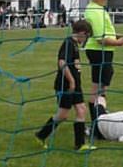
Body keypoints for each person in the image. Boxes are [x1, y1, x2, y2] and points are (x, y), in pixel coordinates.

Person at [34, 19, 96, 151]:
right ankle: (41, 135)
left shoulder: (74, 45)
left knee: (81, 110)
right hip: (66, 85)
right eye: (87, 36)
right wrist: (72, 81)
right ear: (82, 33)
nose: (86, 39)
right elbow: (62, 63)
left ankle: (80, 145)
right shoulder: (68, 43)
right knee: (63, 115)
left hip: (75, 86)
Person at [83, 0, 123, 124]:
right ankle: (98, 119)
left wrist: (114, 35)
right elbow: (100, 38)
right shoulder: (95, 11)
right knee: (99, 86)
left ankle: (99, 117)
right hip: (99, 51)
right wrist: (118, 42)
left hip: (101, 51)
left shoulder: (96, 9)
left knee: (100, 84)